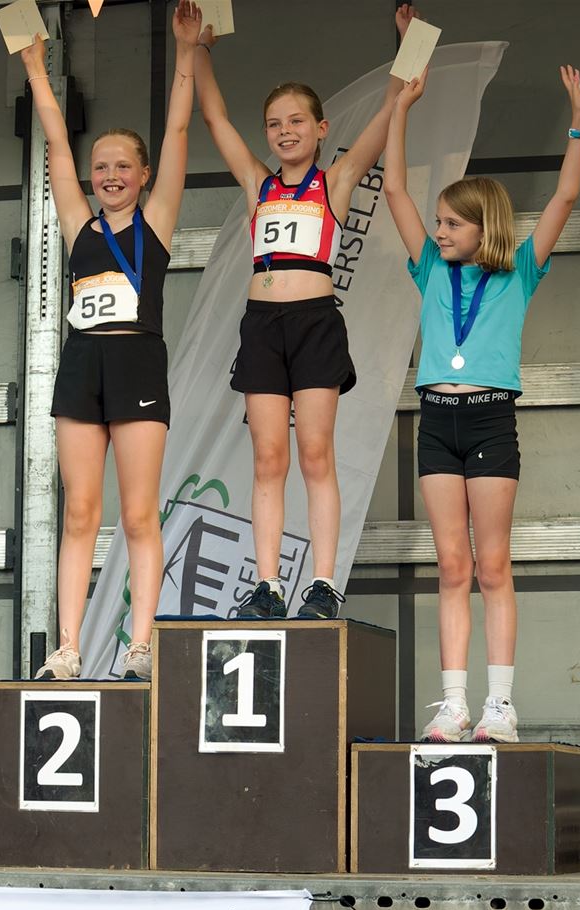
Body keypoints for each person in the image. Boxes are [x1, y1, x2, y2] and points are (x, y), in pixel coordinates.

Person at [383, 65, 580, 743]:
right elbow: (393, 189)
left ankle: (500, 705)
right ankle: (454, 705)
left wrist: (579, 126)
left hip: (491, 418)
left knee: (493, 565)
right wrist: (399, 107)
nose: (440, 231)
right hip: (436, 422)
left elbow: (565, 196)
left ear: (483, 227)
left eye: (452, 223)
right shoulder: (429, 267)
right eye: (439, 221)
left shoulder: (520, 270)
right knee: (451, 566)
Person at [191, 5, 415, 620]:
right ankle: (266, 586)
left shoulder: (335, 181)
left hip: (315, 323)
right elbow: (214, 117)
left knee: (316, 455)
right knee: (269, 459)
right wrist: (199, 50)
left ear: (320, 128)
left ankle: (321, 584)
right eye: (274, 123)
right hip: (262, 327)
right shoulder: (257, 183)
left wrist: (409, 47)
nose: (284, 131)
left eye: (296, 121)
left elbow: (386, 113)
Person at [22, 2, 202, 680]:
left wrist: (187, 54)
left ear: (144, 174)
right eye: (101, 167)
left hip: (136, 363)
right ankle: (68, 650)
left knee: (137, 515)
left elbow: (178, 128)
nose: (110, 175)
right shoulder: (79, 225)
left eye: (124, 165)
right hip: (82, 366)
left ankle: (140, 647)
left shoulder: (156, 223)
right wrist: (37, 71)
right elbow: (56, 147)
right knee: (79, 512)